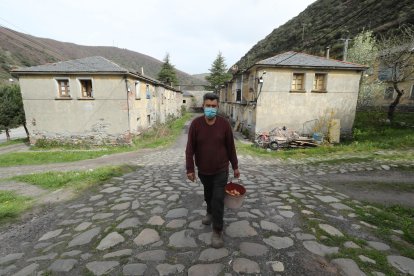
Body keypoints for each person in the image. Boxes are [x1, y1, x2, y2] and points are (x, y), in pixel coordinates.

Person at [185, 92, 240, 248]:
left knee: (218, 199)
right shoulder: (196, 124)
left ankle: (217, 230)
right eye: (208, 106)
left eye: (213, 106)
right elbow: (190, 149)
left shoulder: (224, 125)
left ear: (218, 107)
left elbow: (231, 147)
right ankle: (209, 211)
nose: (210, 109)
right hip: (203, 170)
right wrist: (190, 168)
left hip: (221, 170)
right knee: (208, 195)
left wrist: (235, 166)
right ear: (203, 106)